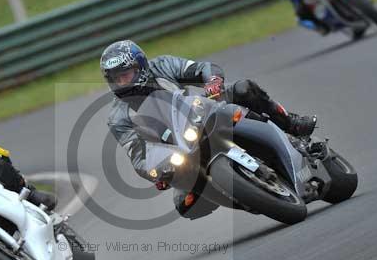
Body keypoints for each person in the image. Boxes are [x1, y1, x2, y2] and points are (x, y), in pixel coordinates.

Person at [102, 40, 317, 220]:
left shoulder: (162, 66)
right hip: (179, 151)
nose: (122, 82)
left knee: (243, 89)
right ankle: (250, 198)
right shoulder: (118, 118)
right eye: (116, 79)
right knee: (186, 206)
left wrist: (213, 81)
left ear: (140, 67)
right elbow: (138, 157)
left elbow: (201, 68)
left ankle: (291, 123)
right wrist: (157, 172)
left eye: (125, 75)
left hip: (202, 112)